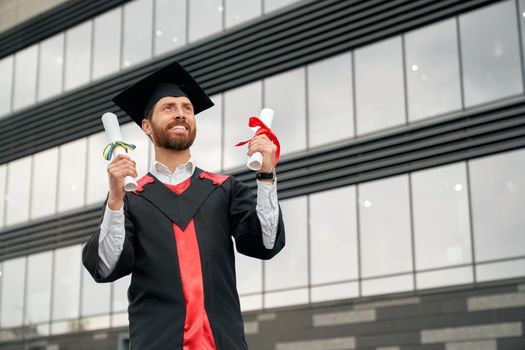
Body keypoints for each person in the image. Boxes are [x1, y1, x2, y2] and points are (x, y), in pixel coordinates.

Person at [82, 61, 285, 350]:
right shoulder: (131, 196)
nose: (180, 113)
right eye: (168, 107)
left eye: (187, 108)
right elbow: (105, 266)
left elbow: (265, 244)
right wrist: (115, 200)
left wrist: (266, 177)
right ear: (146, 126)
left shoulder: (223, 188)